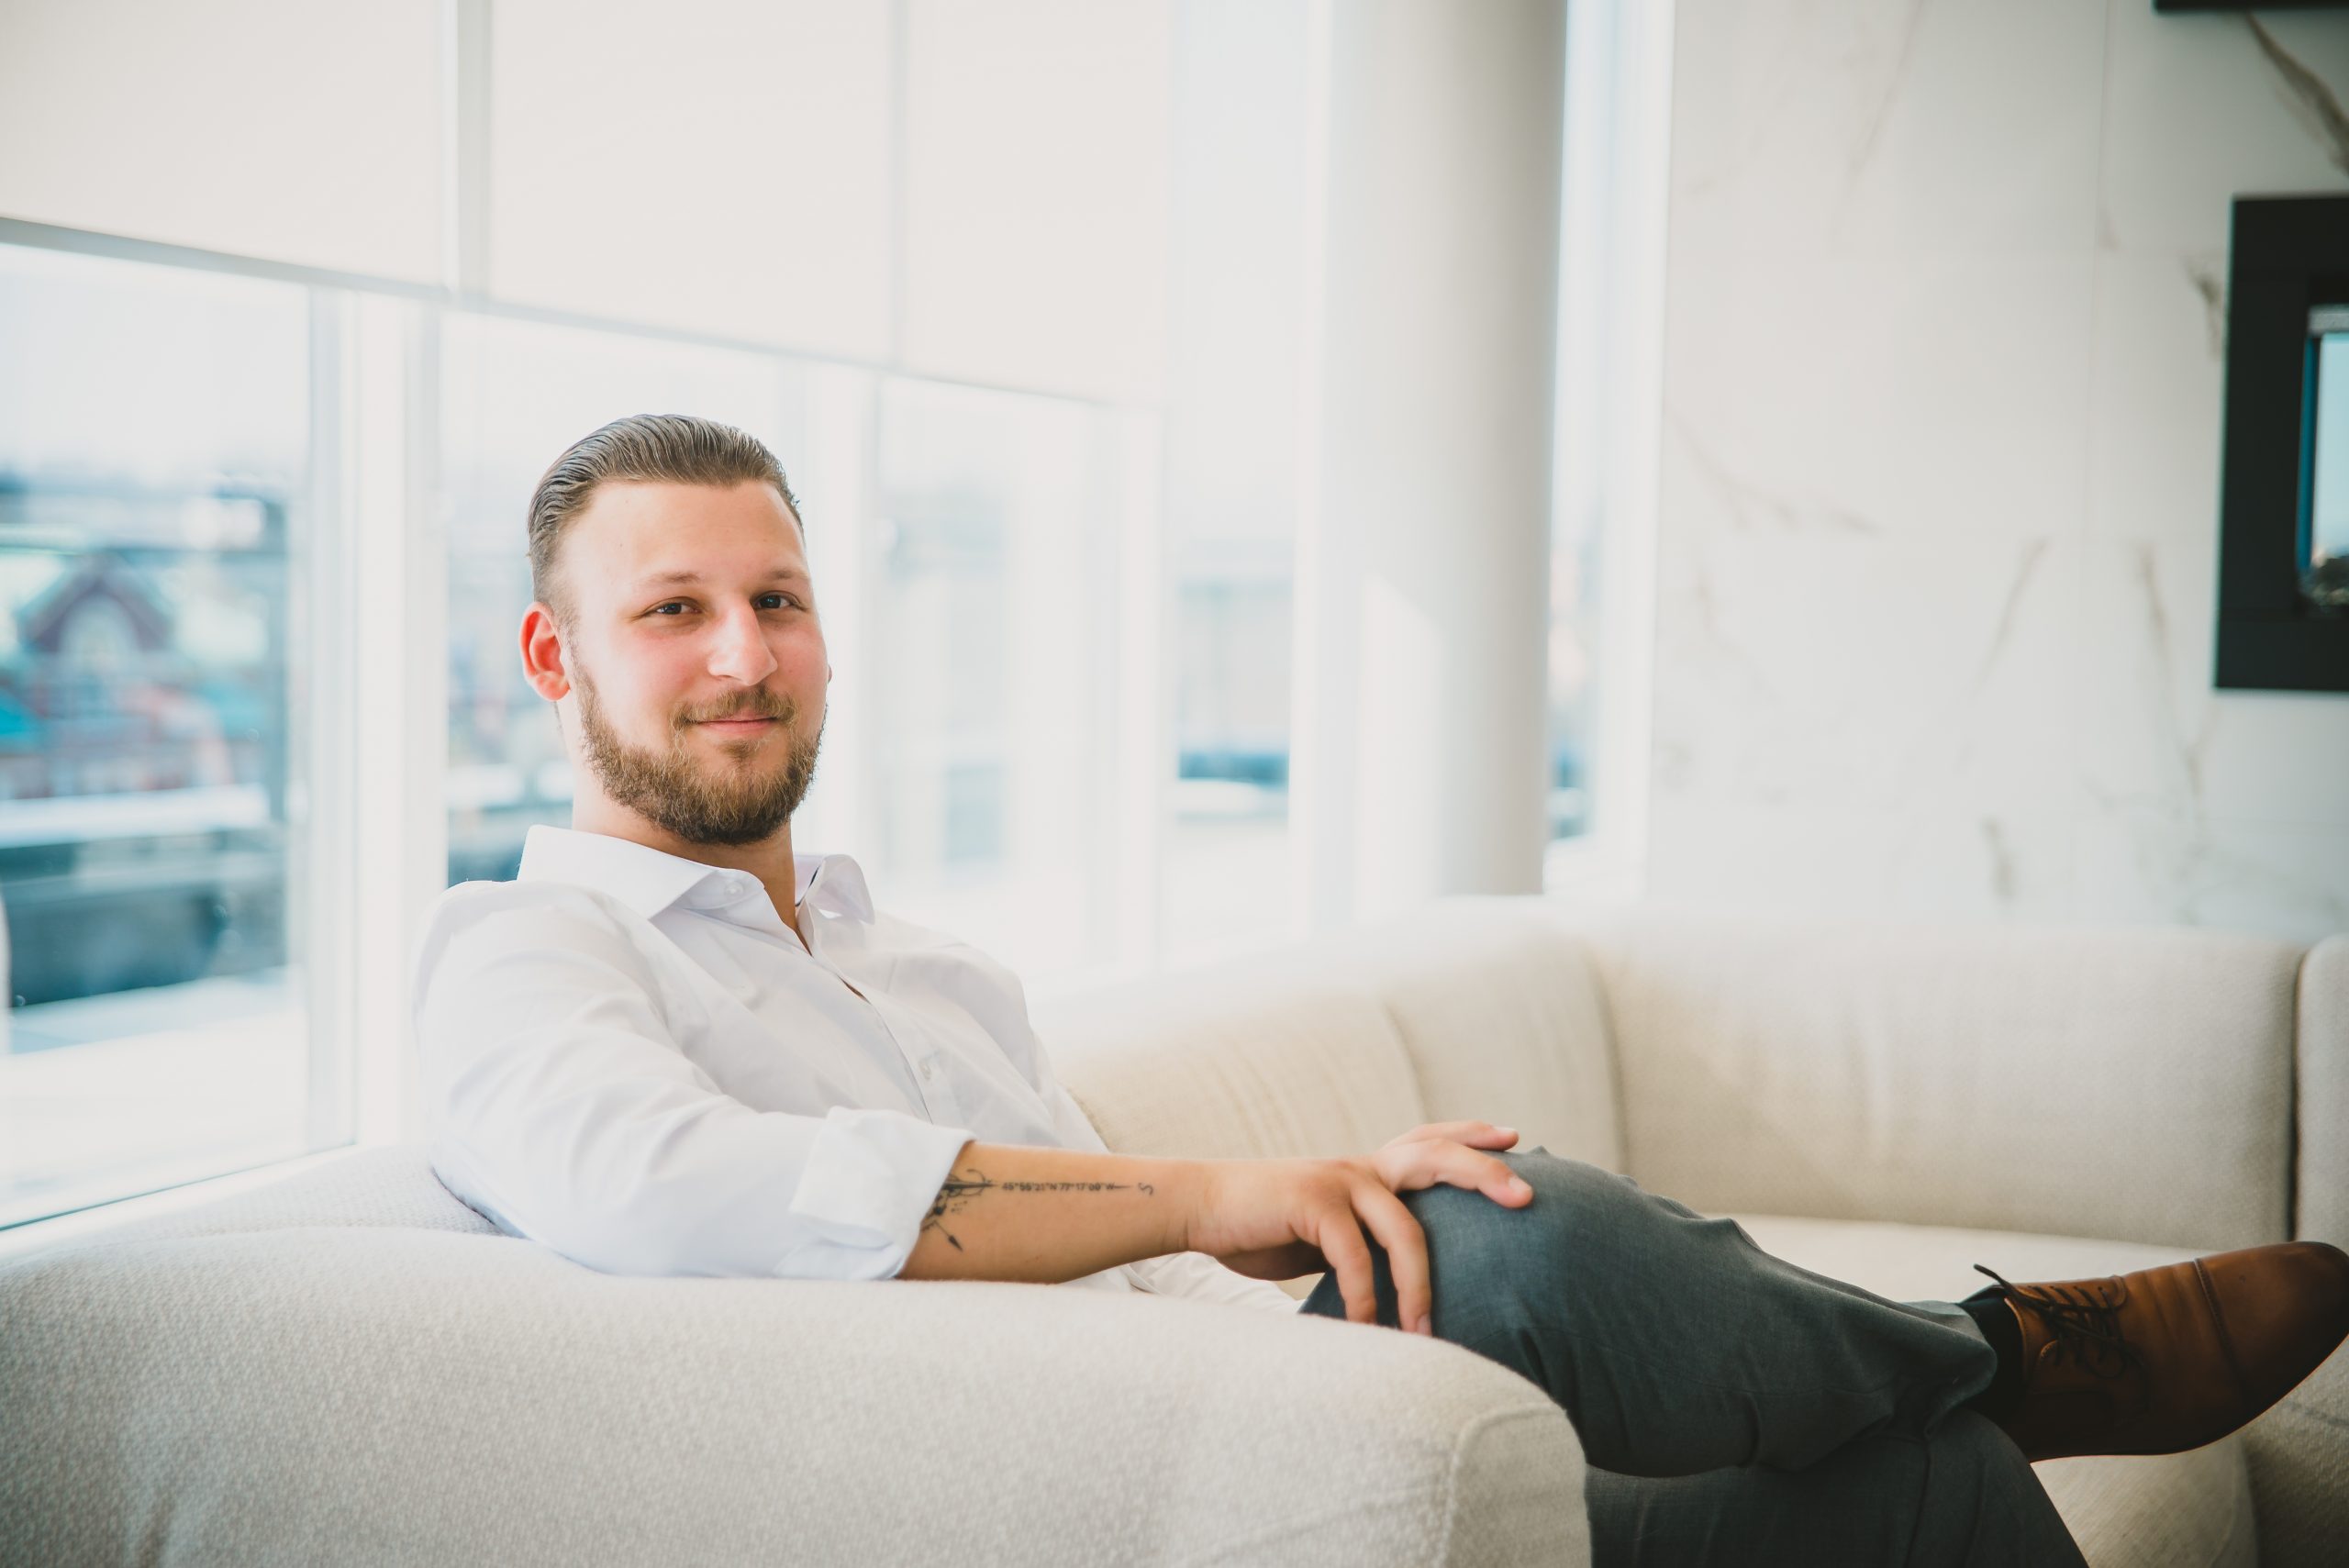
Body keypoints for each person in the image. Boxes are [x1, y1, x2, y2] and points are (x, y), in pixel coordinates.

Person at [414, 414, 2349, 1567]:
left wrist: (1302, 1216)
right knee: (1505, 1249)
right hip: (1113, 1502)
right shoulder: (517, 957)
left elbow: (1112, 1255)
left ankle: (1963, 1389)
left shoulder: (922, 964)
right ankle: (2012, 1353)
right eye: (671, 610)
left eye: (779, 600)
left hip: (1272, 1411)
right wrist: (1214, 1194)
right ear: (550, 656)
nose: (744, 654)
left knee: (1894, 1488)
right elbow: (665, 1186)